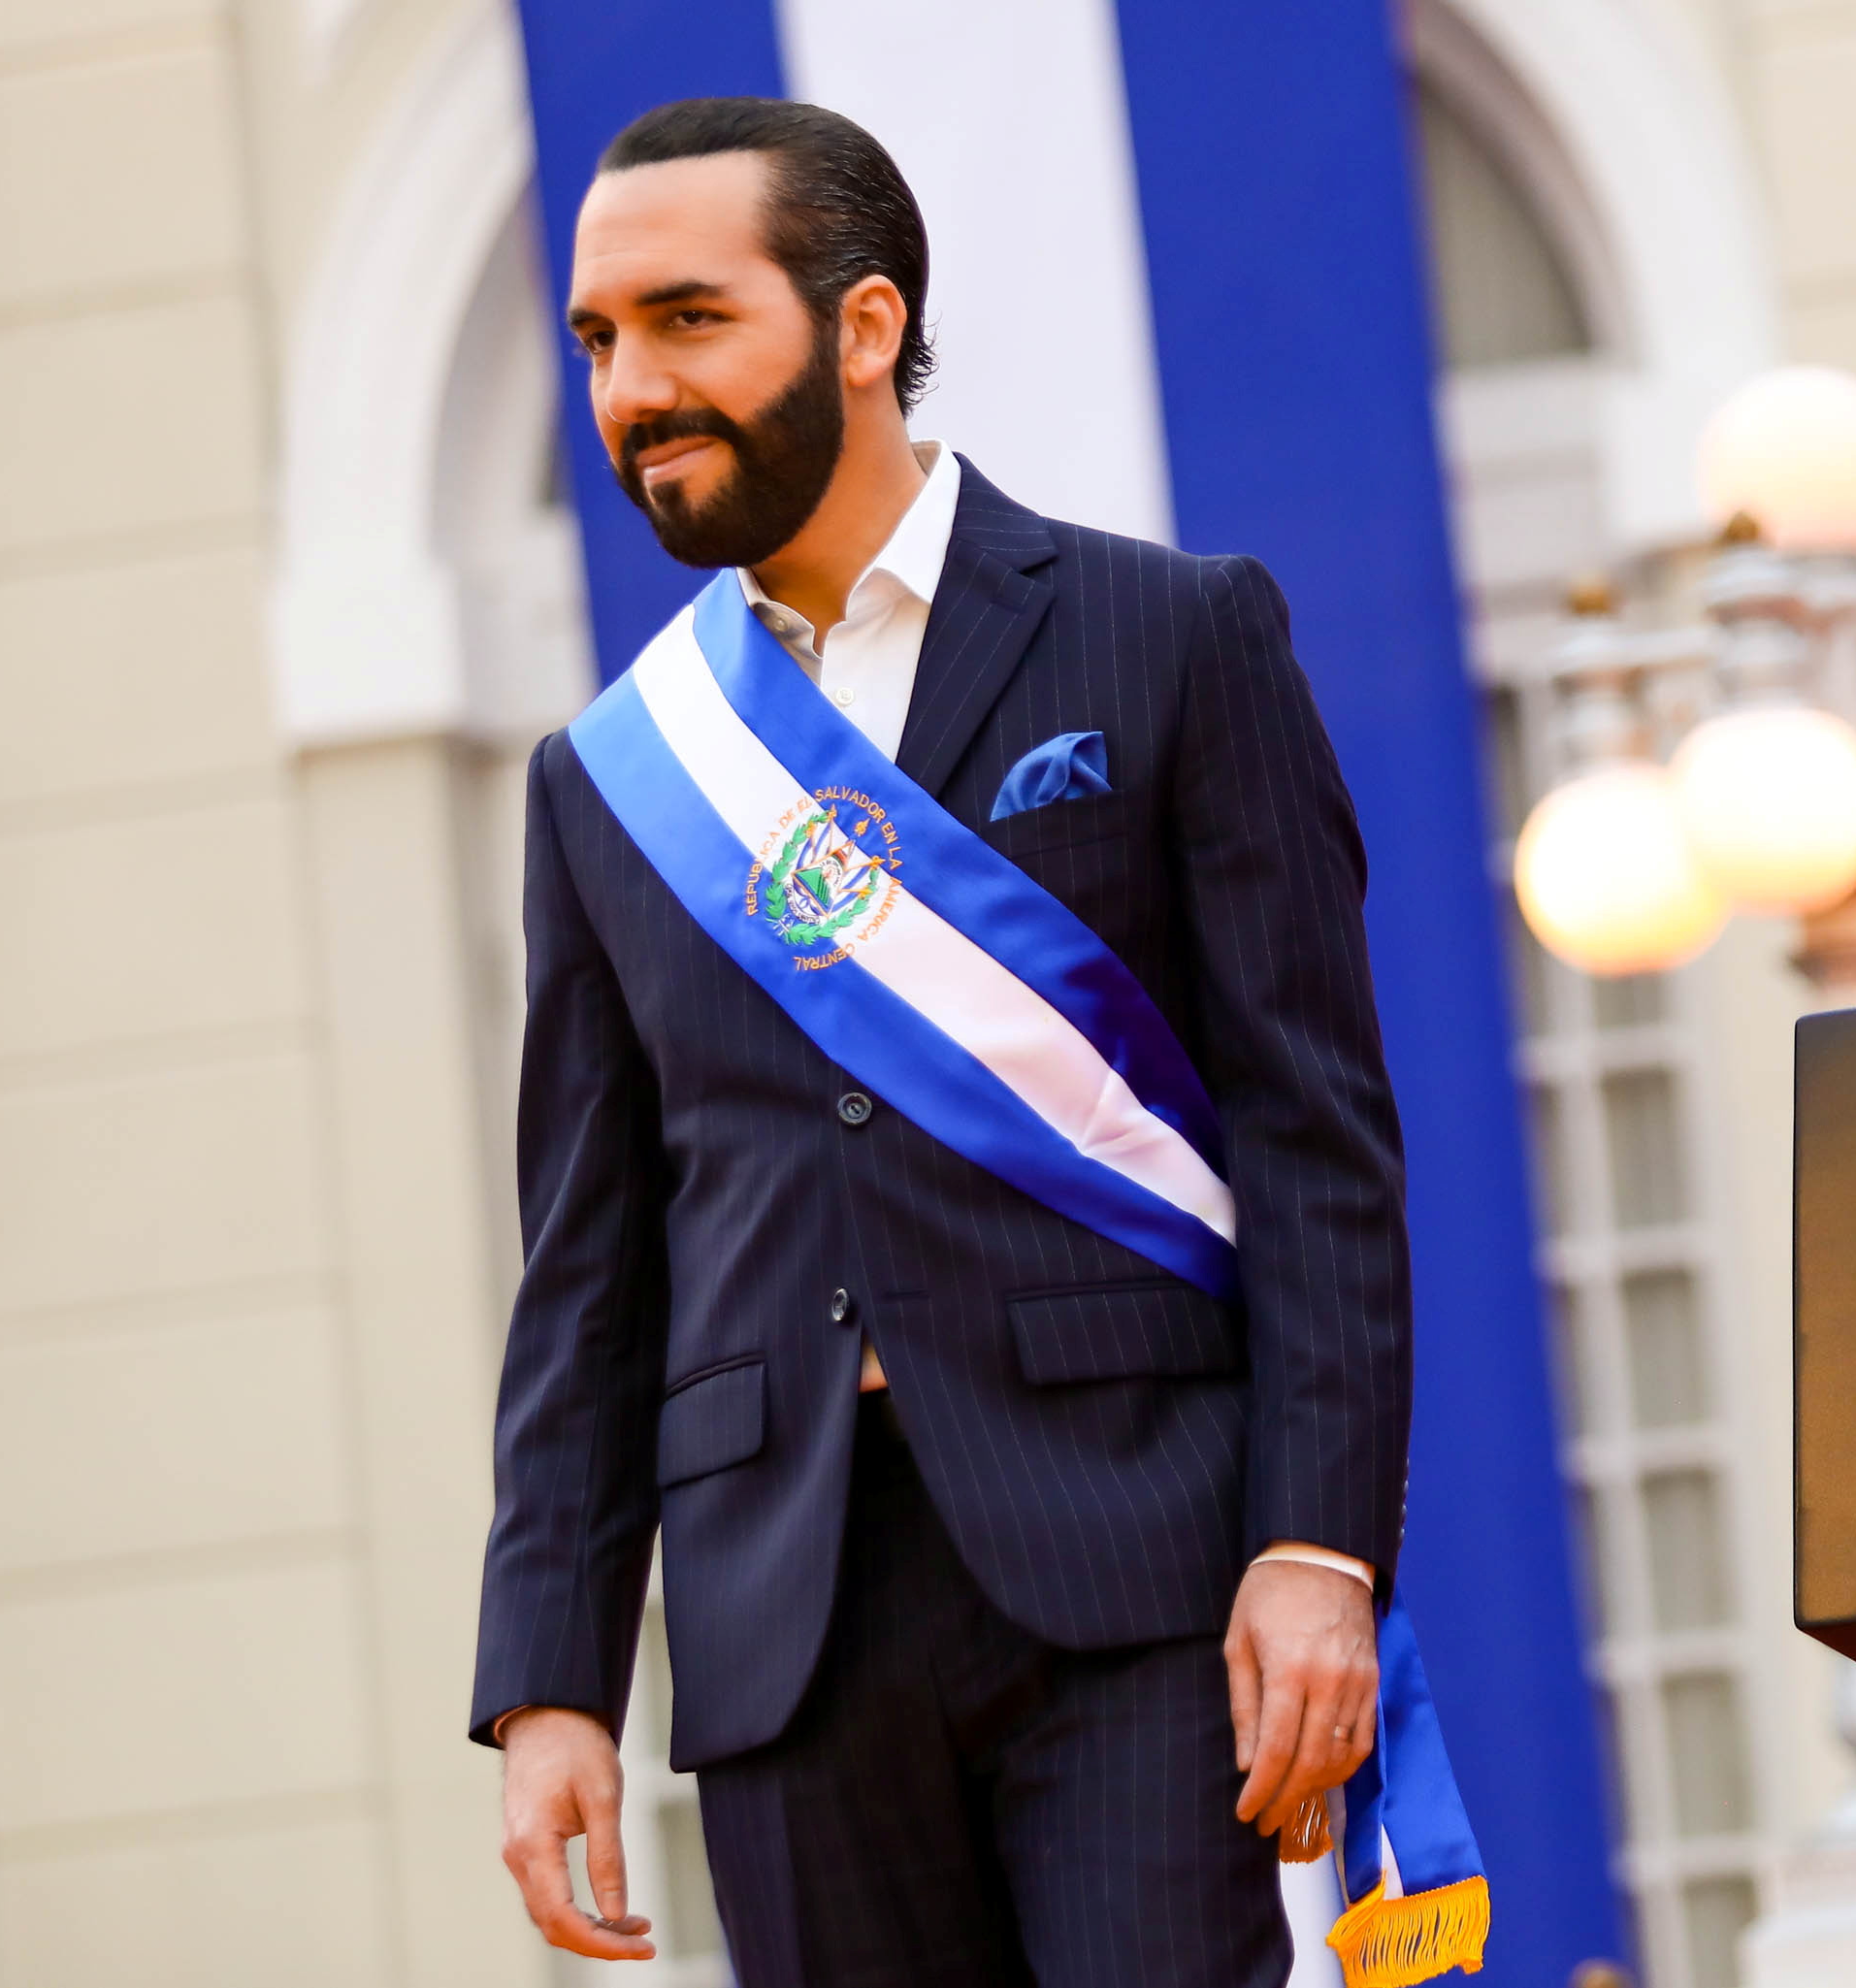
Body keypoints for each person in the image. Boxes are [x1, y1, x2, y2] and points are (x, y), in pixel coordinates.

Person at [470, 96, 1413, 1988]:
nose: (631, 387)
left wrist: (1319, 1544)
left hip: (1132, 1570)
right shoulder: (612, 780)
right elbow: (589, 1273)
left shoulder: (1171, 636)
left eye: (685, 319)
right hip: (782, 1617)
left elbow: (1317, 1141)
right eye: (595, 340)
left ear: (866, 325)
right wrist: (548, 1681)